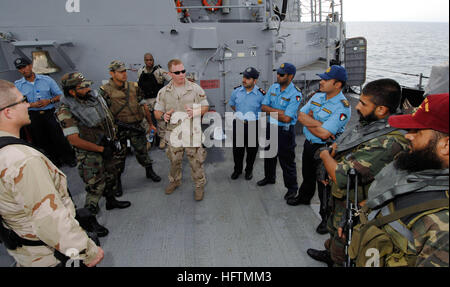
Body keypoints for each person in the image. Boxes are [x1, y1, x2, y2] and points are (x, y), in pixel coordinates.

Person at [306, 79, 410, 267]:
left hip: (358, 204)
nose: (357, 107)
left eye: (363, 103)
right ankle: (331, 254)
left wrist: (323, 154)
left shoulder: (387, 142)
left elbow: (341, 175)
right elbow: (346, 145)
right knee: (333, 227)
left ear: (381, 109)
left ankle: (337, 260)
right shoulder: (370, 125)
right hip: (341, 197)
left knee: (346, 239)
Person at [0, 79, 103, 267]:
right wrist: (87, 251)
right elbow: (48, 218)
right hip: (49, 255)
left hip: (23, 250)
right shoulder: (24, 160)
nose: (28, 104)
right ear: (8, 112)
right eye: (23, 100)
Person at [349, 93, 449, 267]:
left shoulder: (442, 228)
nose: (408, 136)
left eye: (417, 131)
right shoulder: (424, 169)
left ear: (446, 146)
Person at [56, 72, 131, 218]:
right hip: (90, 154)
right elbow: (73, 139)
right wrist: (101, 149)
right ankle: (90, 220)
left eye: (87, 85)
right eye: (83, 87)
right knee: (95, 187)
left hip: (106, 146)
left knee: (111, 177)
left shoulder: (93, 99)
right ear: (72, 91)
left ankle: (111, 201)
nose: (88, 89)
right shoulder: (65, 110)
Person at [287, 65, 351, 235]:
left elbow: (324, 135)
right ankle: (304, 197)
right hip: (309, 144)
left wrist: (314, 123)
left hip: (326, 149)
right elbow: (300, 115)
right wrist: (318, 124)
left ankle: (326, 218)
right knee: (307, 174)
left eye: (325, 79)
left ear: (337, 84)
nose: (321, 81)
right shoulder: (318, 96)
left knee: (324, 184)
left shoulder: (342, 106)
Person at [99, 60, 161, 197]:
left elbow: (144, 106)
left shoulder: (134, 86)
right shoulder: (105, 91)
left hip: (135, 126)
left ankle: (149, 171)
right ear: (112, 73)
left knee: (142, 151)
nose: (124, 74)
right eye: (120, 72)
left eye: (125, 71)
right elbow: (104, 114)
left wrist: (150, 124)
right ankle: (118, 183)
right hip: (119, 129)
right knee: (118, 158)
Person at [154, 59, 209, 201]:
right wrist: (164, 115)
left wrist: (196, 111)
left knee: (196, 161)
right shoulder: (163, 92)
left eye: (183, 71)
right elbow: (157, 112)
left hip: (192, 132)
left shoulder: (195, 89)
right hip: (173, 134)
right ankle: (175, 181)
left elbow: (205, 106)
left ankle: (199, 185)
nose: (181, 74)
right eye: (177, 72)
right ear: (170, 73)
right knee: (174, 161)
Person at [13, 57, 76, 167]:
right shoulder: (18, 85)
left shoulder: (46, 80)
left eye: (24, 66)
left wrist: (49, 101)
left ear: (31, 65)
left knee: (59, 137)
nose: (23, 70)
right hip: (33, 115)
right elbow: (16, 103)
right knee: (41, 140)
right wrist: (31, 105)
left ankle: (69, 158)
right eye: (20, 68)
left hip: (49, 113)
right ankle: (54, 161)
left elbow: (60, 95)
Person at [256, 63, 302, 201]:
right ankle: (269, 178)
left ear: (290, 76)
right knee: (269, 156)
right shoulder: (273, 87)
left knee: (287, 161)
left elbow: (287, 118)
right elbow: (263, 106)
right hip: (270, 126)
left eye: (282, 74)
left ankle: (292, 188)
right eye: (278, 73)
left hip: (285, 131)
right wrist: (280, 112)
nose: (278, 76)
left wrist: (273, 111)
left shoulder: (295, 94)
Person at [229, 67, 265, 181]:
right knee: (237, 151)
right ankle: (237, 170)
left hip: (253, 125)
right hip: (239, 124)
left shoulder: (261, 94)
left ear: (255, 81)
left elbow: (264, 109)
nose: (244, 80)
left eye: (248, 78)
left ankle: (248, 171)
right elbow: (232, 105)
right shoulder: (236, 91)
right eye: (244, 77)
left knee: (251, 151)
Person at [137, 53, 171, 149]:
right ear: (144, 61)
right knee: (146, 122)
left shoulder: (160, 71)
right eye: (147, 60)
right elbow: (139, 86)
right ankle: (149, 139)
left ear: (153, 60)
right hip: (145, 101)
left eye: (151, 60)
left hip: (157, 100)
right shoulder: (140, 71)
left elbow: (171, 80)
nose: (149, 62)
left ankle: (162, 139)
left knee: (160, 120)